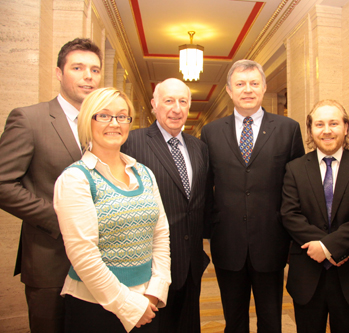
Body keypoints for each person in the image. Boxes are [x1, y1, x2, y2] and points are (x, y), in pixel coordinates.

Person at [0, 38, 102, 333]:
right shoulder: (30, 119)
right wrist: (60, 218)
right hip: (50, 261)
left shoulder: (103, 124)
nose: (88, 76)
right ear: (59, 73)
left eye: (95, 70)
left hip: (99, 263)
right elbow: (3, 182)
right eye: (78, 67)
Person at [53, 87, 171, 333]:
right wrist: (127, 305)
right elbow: (83, 254)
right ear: (88, 120)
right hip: (95, 307)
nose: (114, 123)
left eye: (122, 116)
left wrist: (156, 291)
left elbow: (160, 235)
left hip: (148, 303)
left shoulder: (144, 173)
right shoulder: (76, 178)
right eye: (104, 116)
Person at [200, 59, 304, 332]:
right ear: (229, 90)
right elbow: (205, 187)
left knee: (271, 320)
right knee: (233, 320)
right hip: (227, 243)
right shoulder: (211, 132)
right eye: (240, 84)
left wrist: (293, 235)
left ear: (264, 87)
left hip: (271, 241)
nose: (248, 90)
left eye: (254, 83)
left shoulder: (288, 128)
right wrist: (209, 229)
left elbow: (296, 187)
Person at [281, 99, 349, 333]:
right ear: (310, 130)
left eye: (334, 123)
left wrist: (328, 247)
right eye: (319, 124)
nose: (327, 130)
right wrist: (324, 247)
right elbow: (289, 214)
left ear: (346, 127)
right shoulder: (294, 169)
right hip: (307, 276)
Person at [121, 78, 210, 333]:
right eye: (169, 100)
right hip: (149, 268)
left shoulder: (199, 148)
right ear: (154, 105)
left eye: (183, 101)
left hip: (191, 265)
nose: (176, 108)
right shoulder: (132, 143)